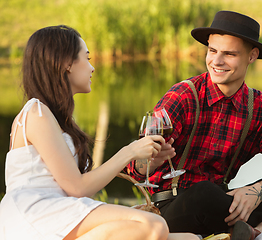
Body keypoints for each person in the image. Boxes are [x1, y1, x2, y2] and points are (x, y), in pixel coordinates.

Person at [126, 11, 262, 240]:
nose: (216, 61)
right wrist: (149, 162)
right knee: (205, 193)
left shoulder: (261, 110)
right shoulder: (182, 96)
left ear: (252, 55)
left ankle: (255, 227)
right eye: (212, 51)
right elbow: (134, 169)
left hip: (224, 204)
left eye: (229, 54)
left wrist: (257, 192)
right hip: (172, 208)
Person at [0, 25, 199, 240]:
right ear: (67, 64)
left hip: (58, 210)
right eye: (86, 58)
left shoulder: (57, 118)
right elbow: (77, 187)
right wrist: (129, 151)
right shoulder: (36, 113)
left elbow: (77, 187)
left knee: (183, 237)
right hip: (35, 214)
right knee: (154, 225)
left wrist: (148, 162)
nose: (92, 67)